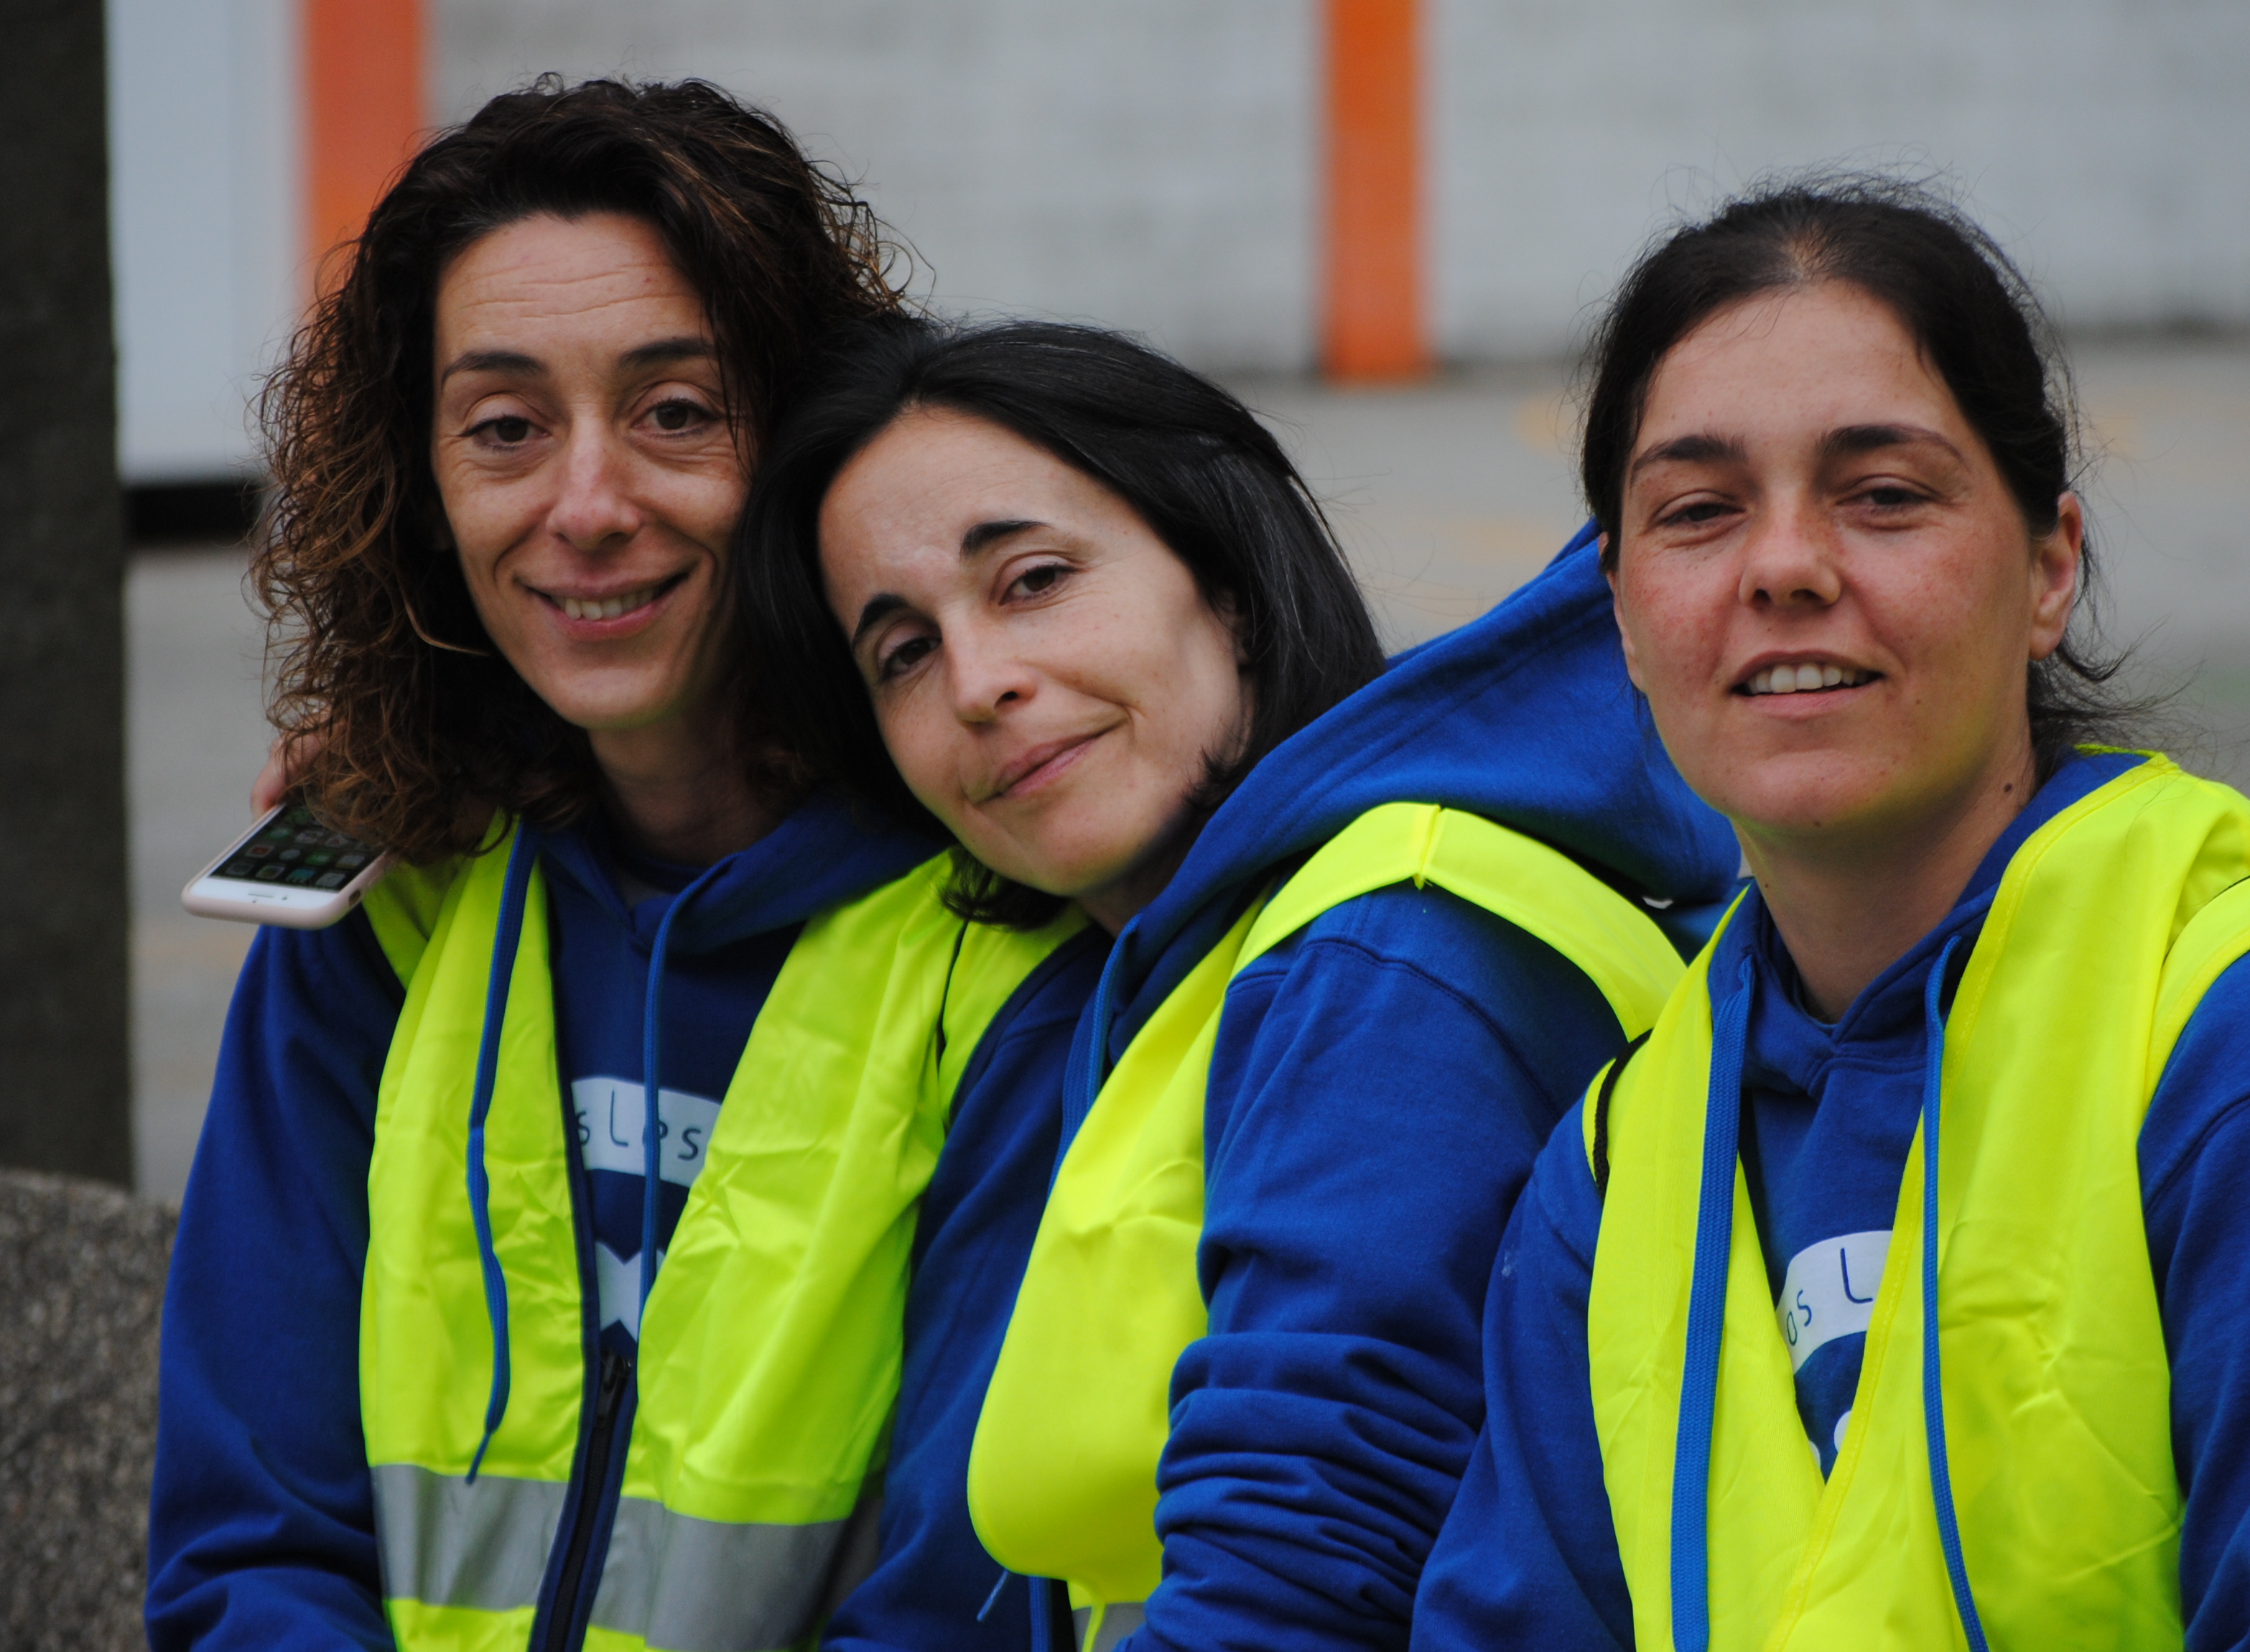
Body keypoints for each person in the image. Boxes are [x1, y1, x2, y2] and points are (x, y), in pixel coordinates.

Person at [1407, 182, 2250, 1651]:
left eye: (1883, 494)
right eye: (1698, 511)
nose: (1784, 565)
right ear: (1619, 609)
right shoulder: (1615, 1177)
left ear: (2050, 569)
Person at [144, 78, 1109, 1652]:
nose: (586, 508)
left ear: (809, 448)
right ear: (419, 490)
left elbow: (962, 1604)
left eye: (675, 412)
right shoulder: (378, 911)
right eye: (505, 429)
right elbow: (247, 1547)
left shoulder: (1001, 945)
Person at [735, 320, 1744, 1651]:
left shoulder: (1384, 953)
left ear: (1233, 591)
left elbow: (1297, 1584)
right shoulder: (1193, 964)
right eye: (903, 654)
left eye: (1033, 581)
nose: (978, 684)